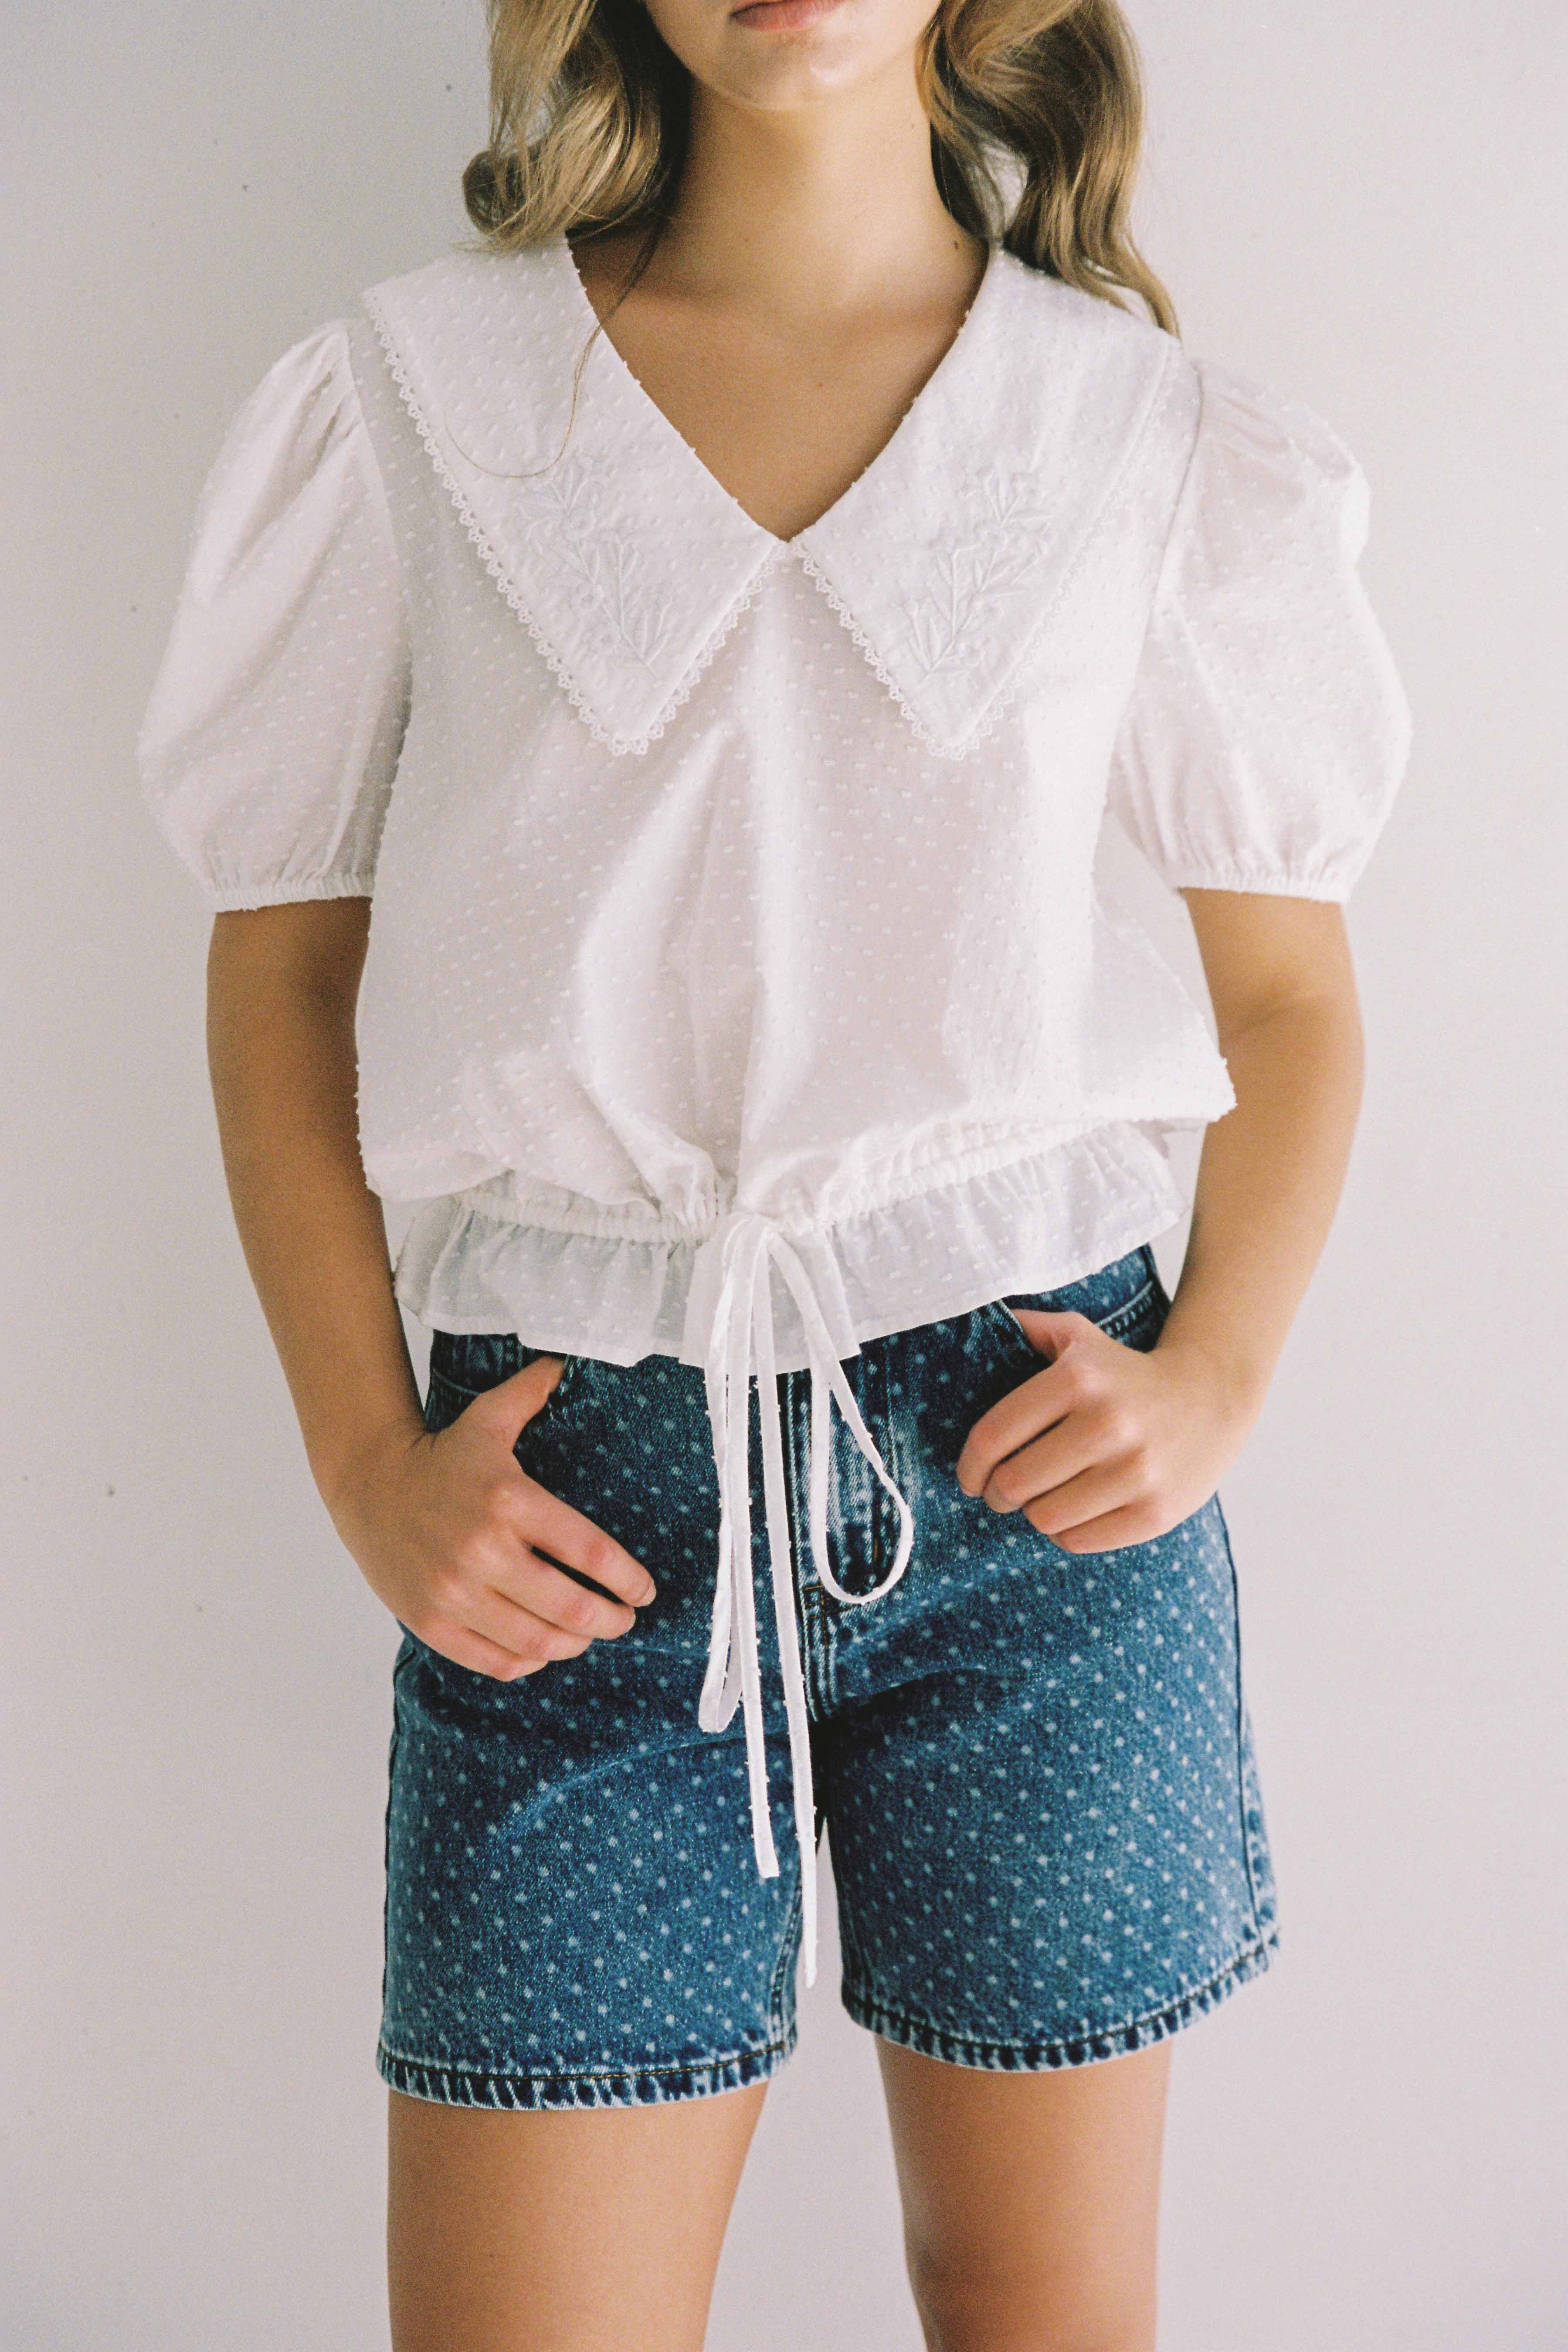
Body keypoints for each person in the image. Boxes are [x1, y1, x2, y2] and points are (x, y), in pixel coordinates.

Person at [136, 0, 1412, 2343]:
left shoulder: (1134, 434)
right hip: (576, 1498)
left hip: (1040, 1482)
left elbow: (1298, 1002)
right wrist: (358, 1452)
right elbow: (282, 967)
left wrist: (1215, 1368)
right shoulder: (423, 402)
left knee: (1037, 2301)